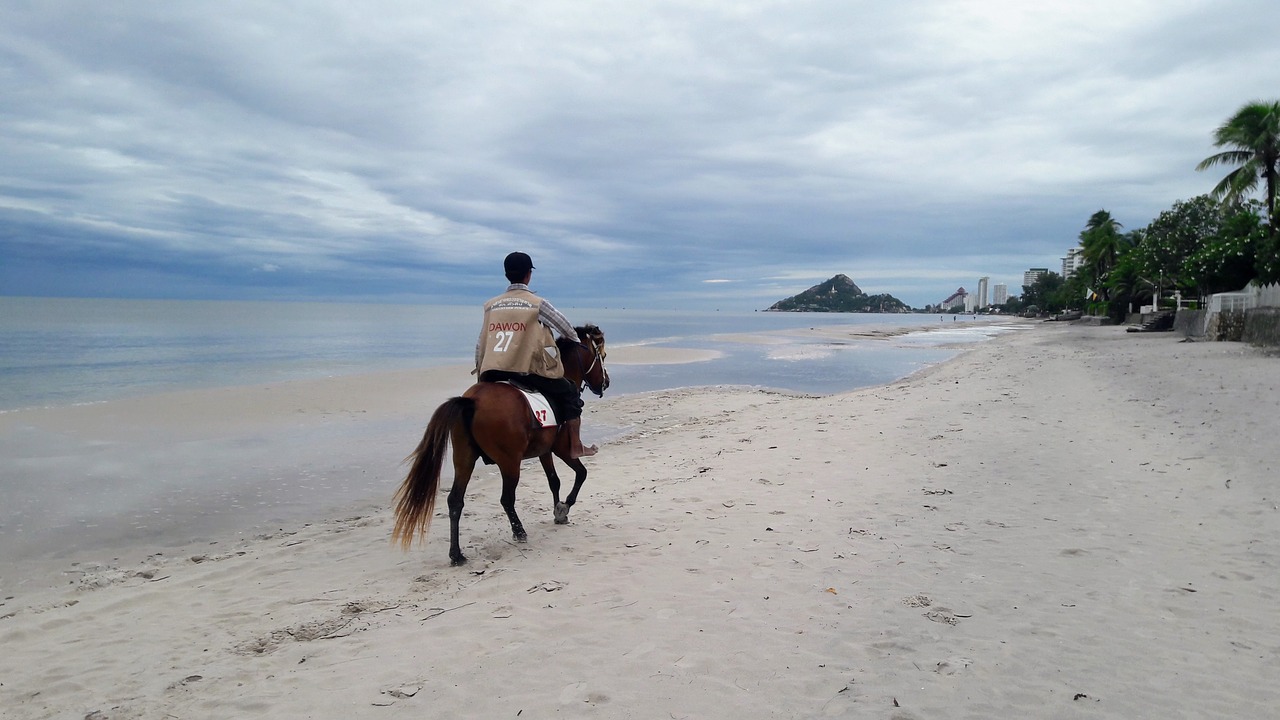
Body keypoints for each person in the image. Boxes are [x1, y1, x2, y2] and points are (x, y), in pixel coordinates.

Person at [475, 251, 597, 458]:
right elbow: (566, 328)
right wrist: (576, 342)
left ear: (506, 275)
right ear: (528, 275)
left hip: (491, 372)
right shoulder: (537, 303)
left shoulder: (490, 305)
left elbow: (480, 346)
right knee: (570, 393)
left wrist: (481, 377)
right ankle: (575, 445)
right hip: (523, 372)